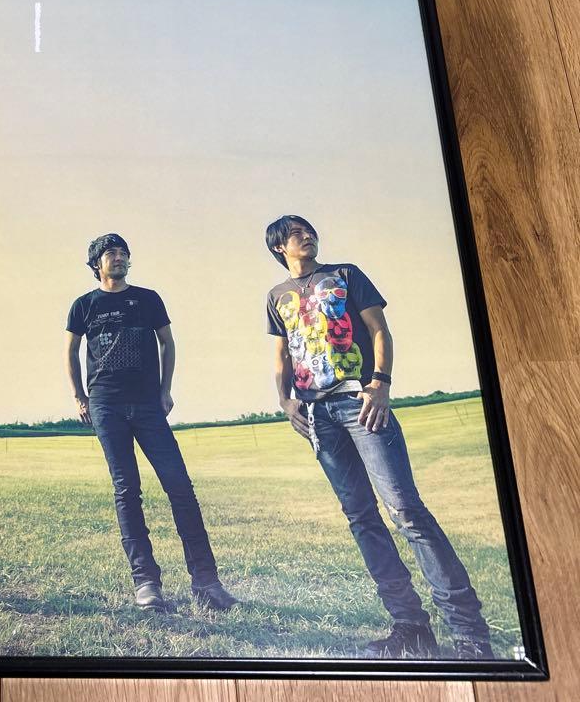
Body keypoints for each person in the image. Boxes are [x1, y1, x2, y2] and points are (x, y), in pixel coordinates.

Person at [264, 214, 495, 660]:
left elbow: (378, 329)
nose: (307, 235)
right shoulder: (276, 296)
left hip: (361, 403)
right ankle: (410, 627)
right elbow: (282, 353)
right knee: (361, 518)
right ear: (279, 247)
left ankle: (469, 633)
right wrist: (285, 400)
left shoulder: (346, 275)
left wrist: (380, 383)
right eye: (295, 232)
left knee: (405, 510)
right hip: (317, 415)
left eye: (309, 229)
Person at [65, 233, 237, 613]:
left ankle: (206, 582)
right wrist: (80, 397)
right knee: (127, 490)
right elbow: (71, 351)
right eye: (111, 253)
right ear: (96, 263)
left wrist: (165, 390)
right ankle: (146, 583)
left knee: (180, 486)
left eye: (123, 252)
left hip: (147, 403)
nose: (119, 257)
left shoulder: (148, 299)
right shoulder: (84, 305)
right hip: (106, 404)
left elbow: (167, 343)